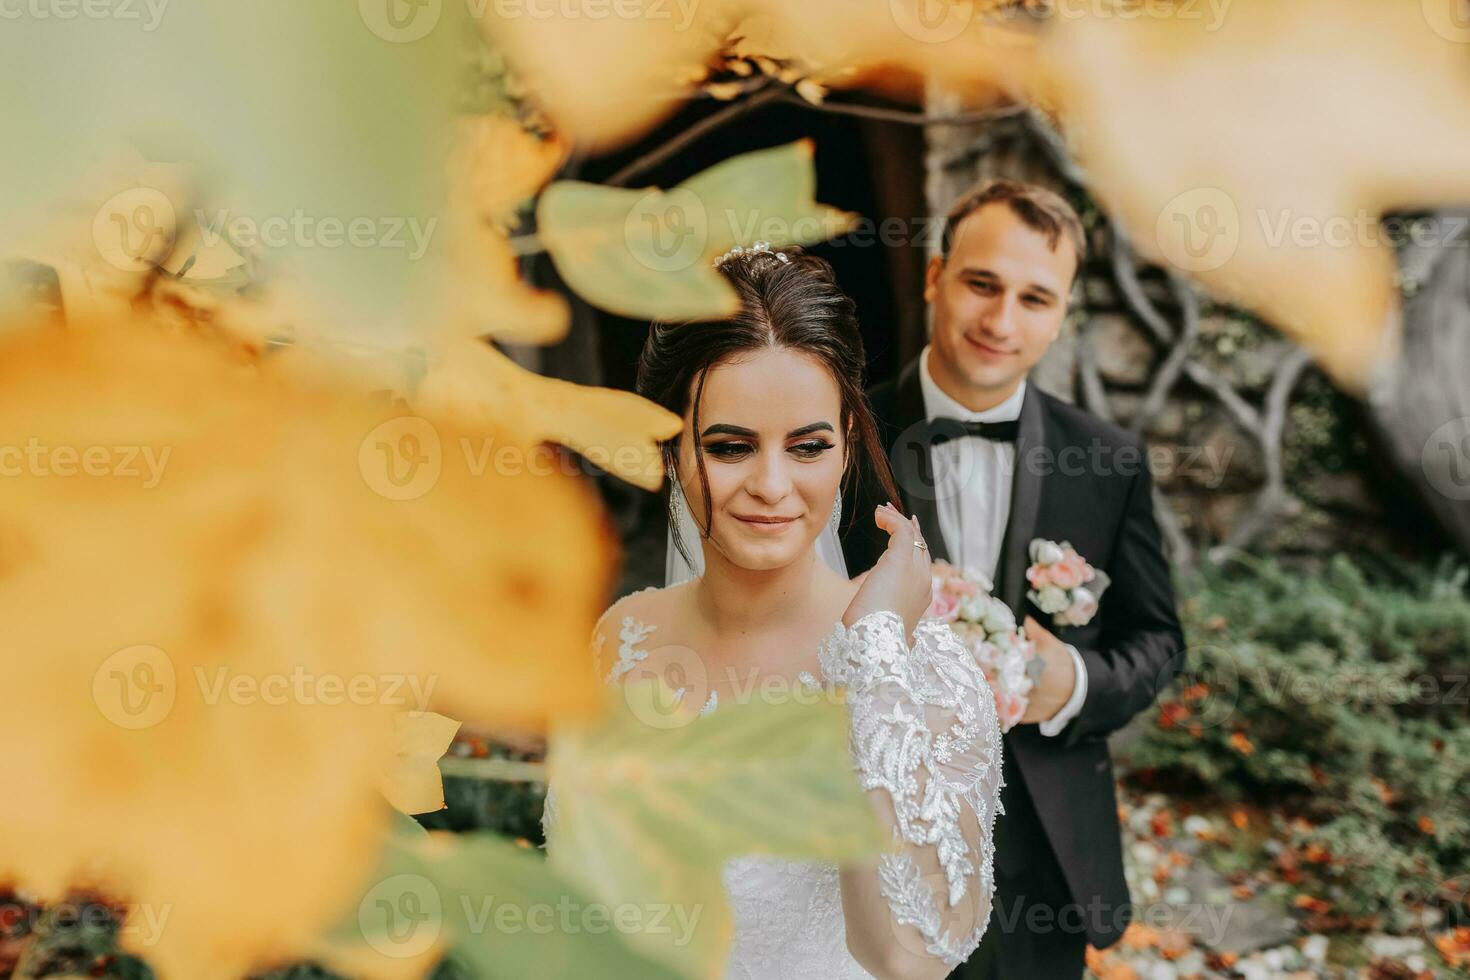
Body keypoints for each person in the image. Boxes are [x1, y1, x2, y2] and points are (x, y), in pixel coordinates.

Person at [544, 243, 1003, 980]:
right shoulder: (620, 640)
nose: (771, 485)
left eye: (807, 446)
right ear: (669, 449)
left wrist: (873, 656)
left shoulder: (925, 672)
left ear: (847, 447)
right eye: (730, 447)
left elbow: (906, 955)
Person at [842, 180, 1185, 979]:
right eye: (981, 284)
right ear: (935, 278)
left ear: (1063, 313)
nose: (1002, 322)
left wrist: (1074, 681)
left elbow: (1159, 642)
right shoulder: (840, 442)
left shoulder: (1108, 463)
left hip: (1045, 850)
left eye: (1036, 298)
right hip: (873, 842)